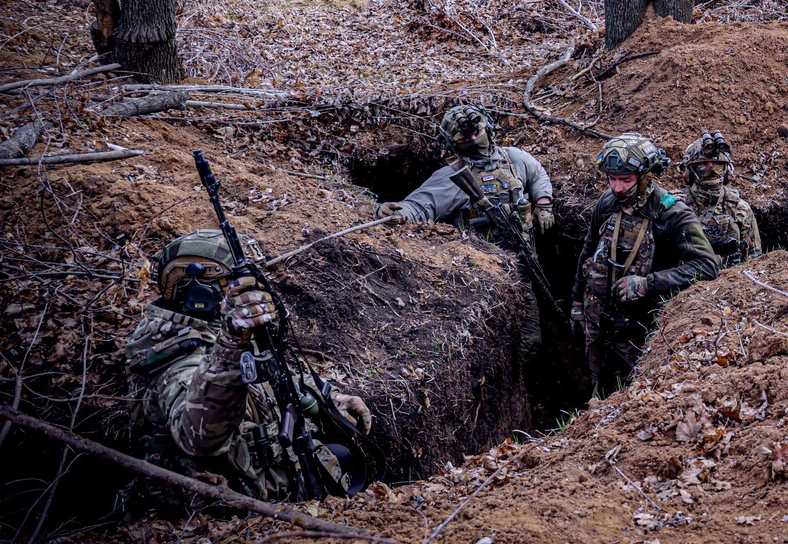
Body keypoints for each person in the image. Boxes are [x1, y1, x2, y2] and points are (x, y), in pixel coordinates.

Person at [125, 229, 374, 506]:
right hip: (222, 515)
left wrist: (334, 398)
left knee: (342, 456)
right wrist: (230, 344)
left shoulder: (216, 329)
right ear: (199, 290)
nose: (250, 292)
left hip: (274, 488)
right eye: (234, 283)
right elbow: (201, 437)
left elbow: (272, 377)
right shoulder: (172, 355)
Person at [375, 104, 554, 357]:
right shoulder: (453, 176)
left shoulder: (514, 159)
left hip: (525, 264)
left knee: (531, 339)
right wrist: (397, 212)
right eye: (465, 138)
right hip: (484, 277)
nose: (473, 139)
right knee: (499, 344)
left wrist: (544, 203)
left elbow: (538, 175)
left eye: (476, 133)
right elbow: (422, 204)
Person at [570, 133, 720, 395]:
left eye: (626, 180)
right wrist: (577, 302)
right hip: (598, 320)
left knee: (631, 392)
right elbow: (589, 249)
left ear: (646, 175)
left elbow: (707, 266)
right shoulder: (606, 203)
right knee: (599, 382)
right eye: (612, 179)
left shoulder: (672, 214)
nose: (617, 188)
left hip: (640, 326)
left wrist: (647, 283)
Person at [676, 130, 762, 267]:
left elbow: (755, 259)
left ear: (728, 171)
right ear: (689, 172)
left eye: (717, 164)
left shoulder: (739, 208)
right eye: (702, 164)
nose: (710, 168)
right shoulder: (677, 209)